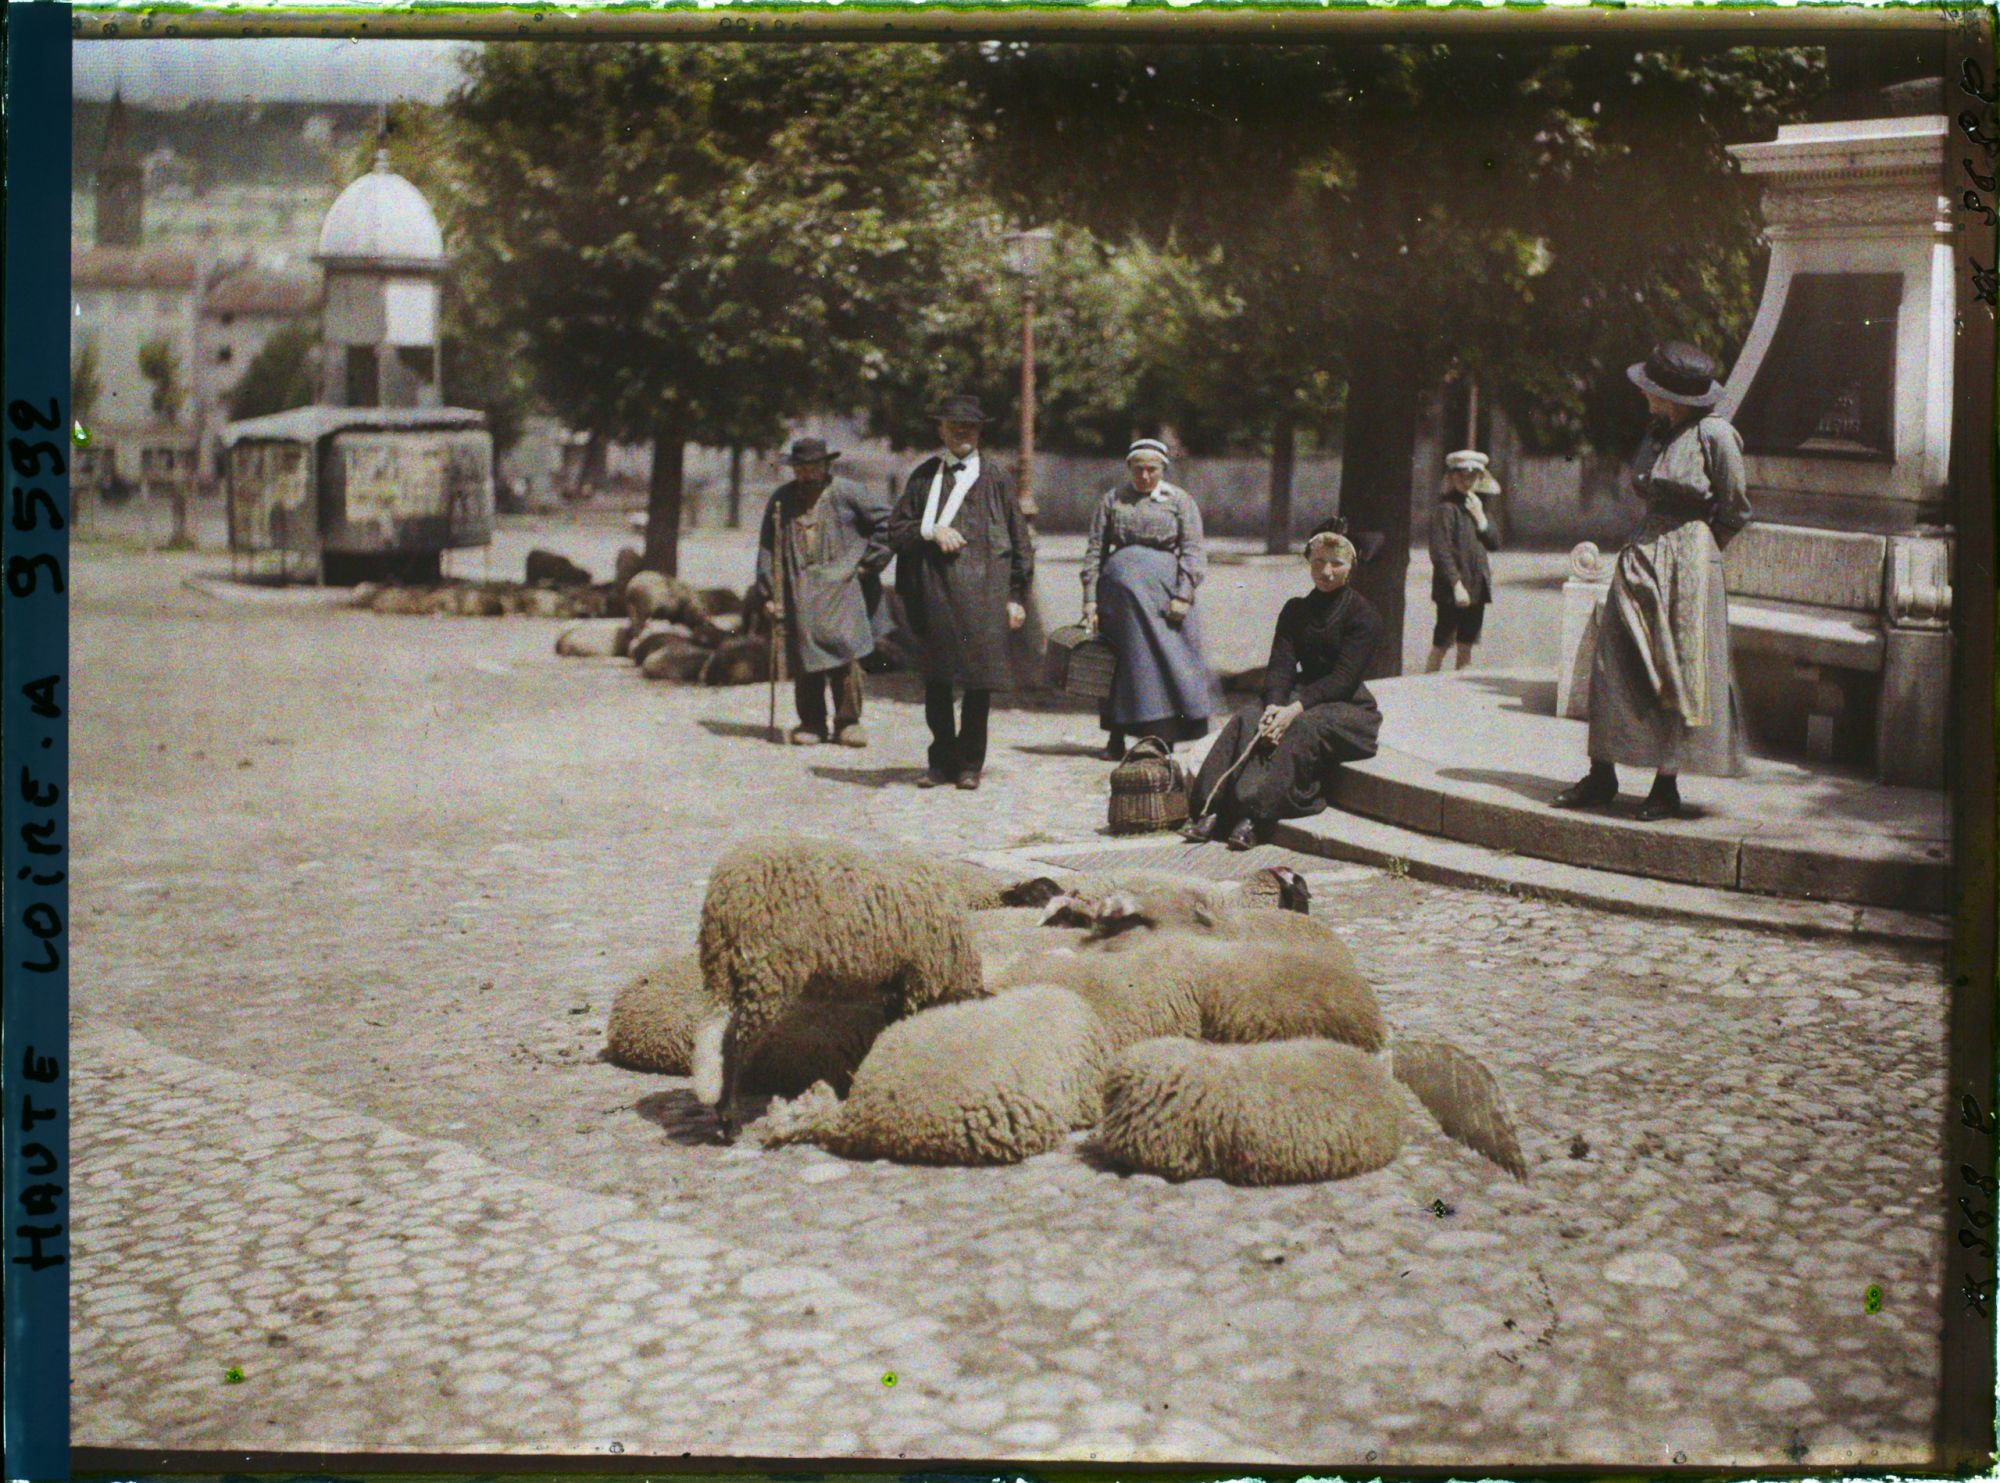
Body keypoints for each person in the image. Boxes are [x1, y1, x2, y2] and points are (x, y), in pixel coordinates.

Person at [1552, 341, 1751, 822]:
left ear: (1675, 396)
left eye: (1652, 390)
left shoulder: (1715, 435)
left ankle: (1666, 785)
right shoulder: (1659, 431)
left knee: (1675, 671)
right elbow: (1645, 484)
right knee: (1612, 659)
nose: (1645, 395)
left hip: (1689, 561)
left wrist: (1699, 551)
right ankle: (1601, 774)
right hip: (1642, 552)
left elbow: (1735, 509)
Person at [1183, 524, 1383, 850]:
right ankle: (1211, 809)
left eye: (1336, 563)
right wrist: (1275, 705)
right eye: (1318, 561)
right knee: (1248, 718)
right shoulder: (1295, 610)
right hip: (1298, 697)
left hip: (1347, 707)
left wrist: (1293, 710)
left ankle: (1255, 818)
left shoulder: (1364, 615)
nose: (1326, 571)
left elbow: (1342, 679)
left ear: (1351, 566)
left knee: (1300, 728)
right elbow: (1281, 667)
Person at [883, 394, 1034, 791]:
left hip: (985, 596)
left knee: (977, 683)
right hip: (934, 594)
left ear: (980, 431)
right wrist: (930, 531)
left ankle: (969, 764)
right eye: (953, 426)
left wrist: (1016, 595)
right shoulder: (923, 477)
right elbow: (896, 532)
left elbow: (1020, 541)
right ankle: (940, 762)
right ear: (941, 430)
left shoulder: (997, 478)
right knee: (937, 681)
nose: (961, 432)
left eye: (969, 426)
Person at [745, 437, 893, 748]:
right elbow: (768, 547)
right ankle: (811, 721)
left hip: (844, 588)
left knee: (847, 651)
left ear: (826, 466)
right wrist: (768, 594)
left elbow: (889, 523)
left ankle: (848, 722)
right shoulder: (782, 500)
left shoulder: (848, 492)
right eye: (800, 468)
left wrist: (867, 564)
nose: (807, 474)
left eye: (813, 467)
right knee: (804, 653)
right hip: (800, 589)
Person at [1080, 438, 1218, 761]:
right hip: (1118, 602)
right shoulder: (1112, 500)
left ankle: (1163, 738)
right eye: (1138, 469)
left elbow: (1193, 550)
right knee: (1121, 666)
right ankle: (1116, 736)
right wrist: (1090, 599)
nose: (1144, 476)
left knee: (1164, 663)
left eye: (1152, 469)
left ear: (1163, 469)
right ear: (1129, 468)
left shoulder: (1179, 501)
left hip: (1162, 599)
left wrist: (1184, 594)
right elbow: (1095, 550)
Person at [1426, 449, 1502, 673]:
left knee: (1466, 647)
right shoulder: (1446, 509)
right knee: (1442, 644)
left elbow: (1494, 543)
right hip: (1454, 589)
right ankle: (1426, 687)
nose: (1467, 481)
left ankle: (1460, 690)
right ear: (1452, 477)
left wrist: (1480, 518)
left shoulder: (1478, 506)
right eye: (1461, 476)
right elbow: (1441, 552)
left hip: (1476, 587)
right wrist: (1456, 585)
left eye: (1472, 476)